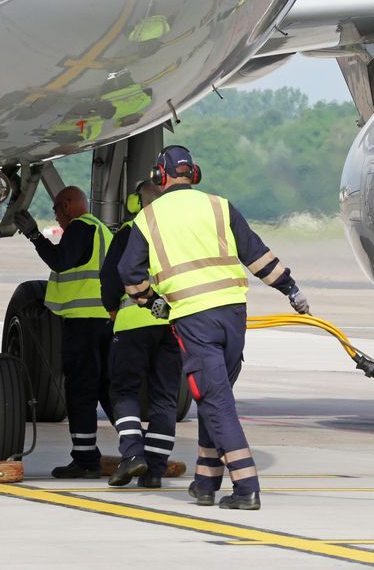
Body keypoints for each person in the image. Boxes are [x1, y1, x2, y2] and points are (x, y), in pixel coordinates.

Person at [118, 145, 310, 510]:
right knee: (214, 396)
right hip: (234, 317)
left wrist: (152, 302)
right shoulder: (220, 206)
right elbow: (258, 255)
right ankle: (205, 483)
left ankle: (246, 486)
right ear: (195, 174)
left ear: (159, 177)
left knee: (216, 401)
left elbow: (129, 274)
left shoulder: (149, 218)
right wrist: (290, 289)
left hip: (194, 318)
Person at [13, 186, 114, 479]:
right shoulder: (100, 229)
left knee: (80, 392)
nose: (57, 218)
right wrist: (46, 307)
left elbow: (61, 261)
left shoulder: (80, 227)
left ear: (68, 205)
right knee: (109, 390)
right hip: (105, 320)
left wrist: (34, 235)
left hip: (83, 324)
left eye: (57, 211)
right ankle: (136, 452)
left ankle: (85, 460)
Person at [99, 180, 181, 488]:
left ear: (137, 202)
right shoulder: (178, 233)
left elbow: (111, 278)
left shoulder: (131, 231)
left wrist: (112, 310)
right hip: (173, 323)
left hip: (133, 322)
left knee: (124, 391)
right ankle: (155, 471)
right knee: (164, 398)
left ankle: (133, 454)